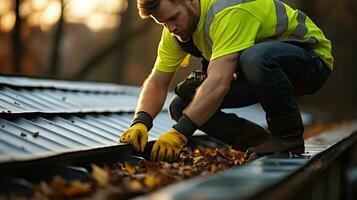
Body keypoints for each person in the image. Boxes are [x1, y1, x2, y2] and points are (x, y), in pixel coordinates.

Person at [119, 0, 332, 162]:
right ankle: (263, 143)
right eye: (163, 23)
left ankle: (288, 136)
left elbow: (219, 81)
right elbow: (157, 82)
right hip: (263, 75)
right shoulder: (175, 34)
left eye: (174, 18)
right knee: (182, 105)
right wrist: (141, 122)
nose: (171, 28)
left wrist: (180, 132)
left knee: (256, 58)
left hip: (311, 61)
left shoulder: (227, 12)